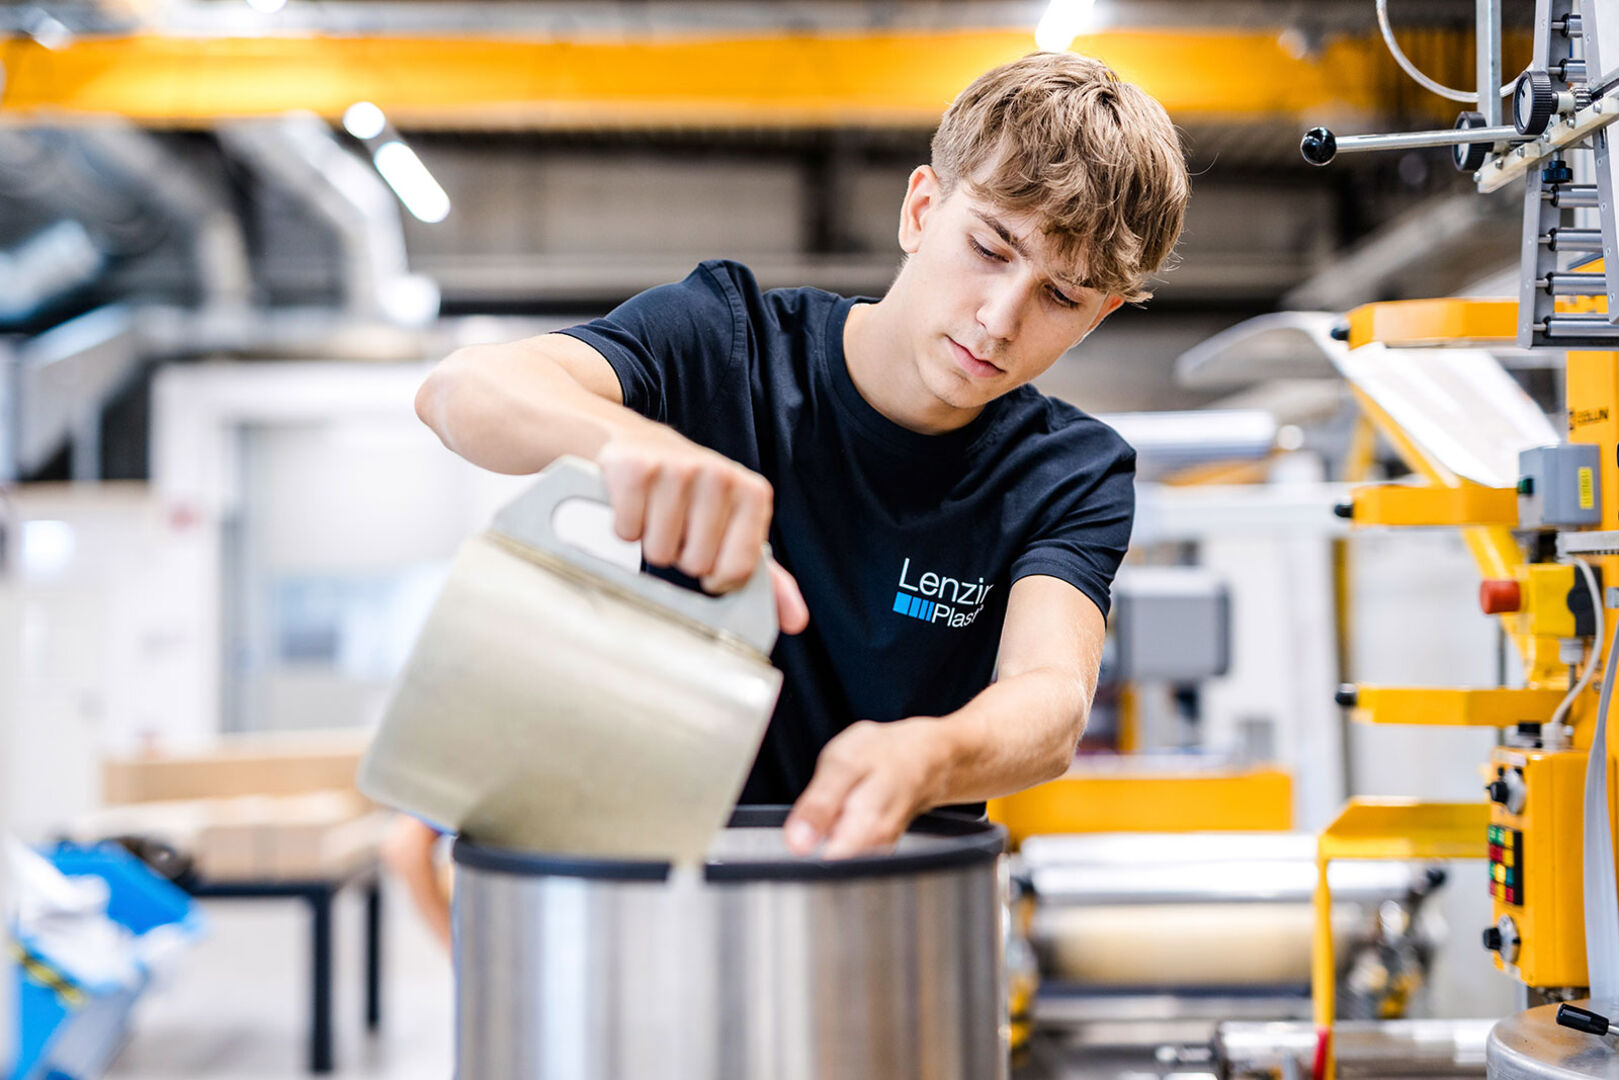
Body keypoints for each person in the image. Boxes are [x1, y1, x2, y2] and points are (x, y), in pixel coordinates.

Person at [414, 51, 1189, 858]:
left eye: (1059, 296)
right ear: (921, 211)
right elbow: (463, 390)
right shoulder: (725, 343)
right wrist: (635, 447)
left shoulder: (1069, 472)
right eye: (990, 249)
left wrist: (930, 756)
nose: (998, 318)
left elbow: (1051, 698)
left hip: (896, 895)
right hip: (669, 874)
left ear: (1096, 315)